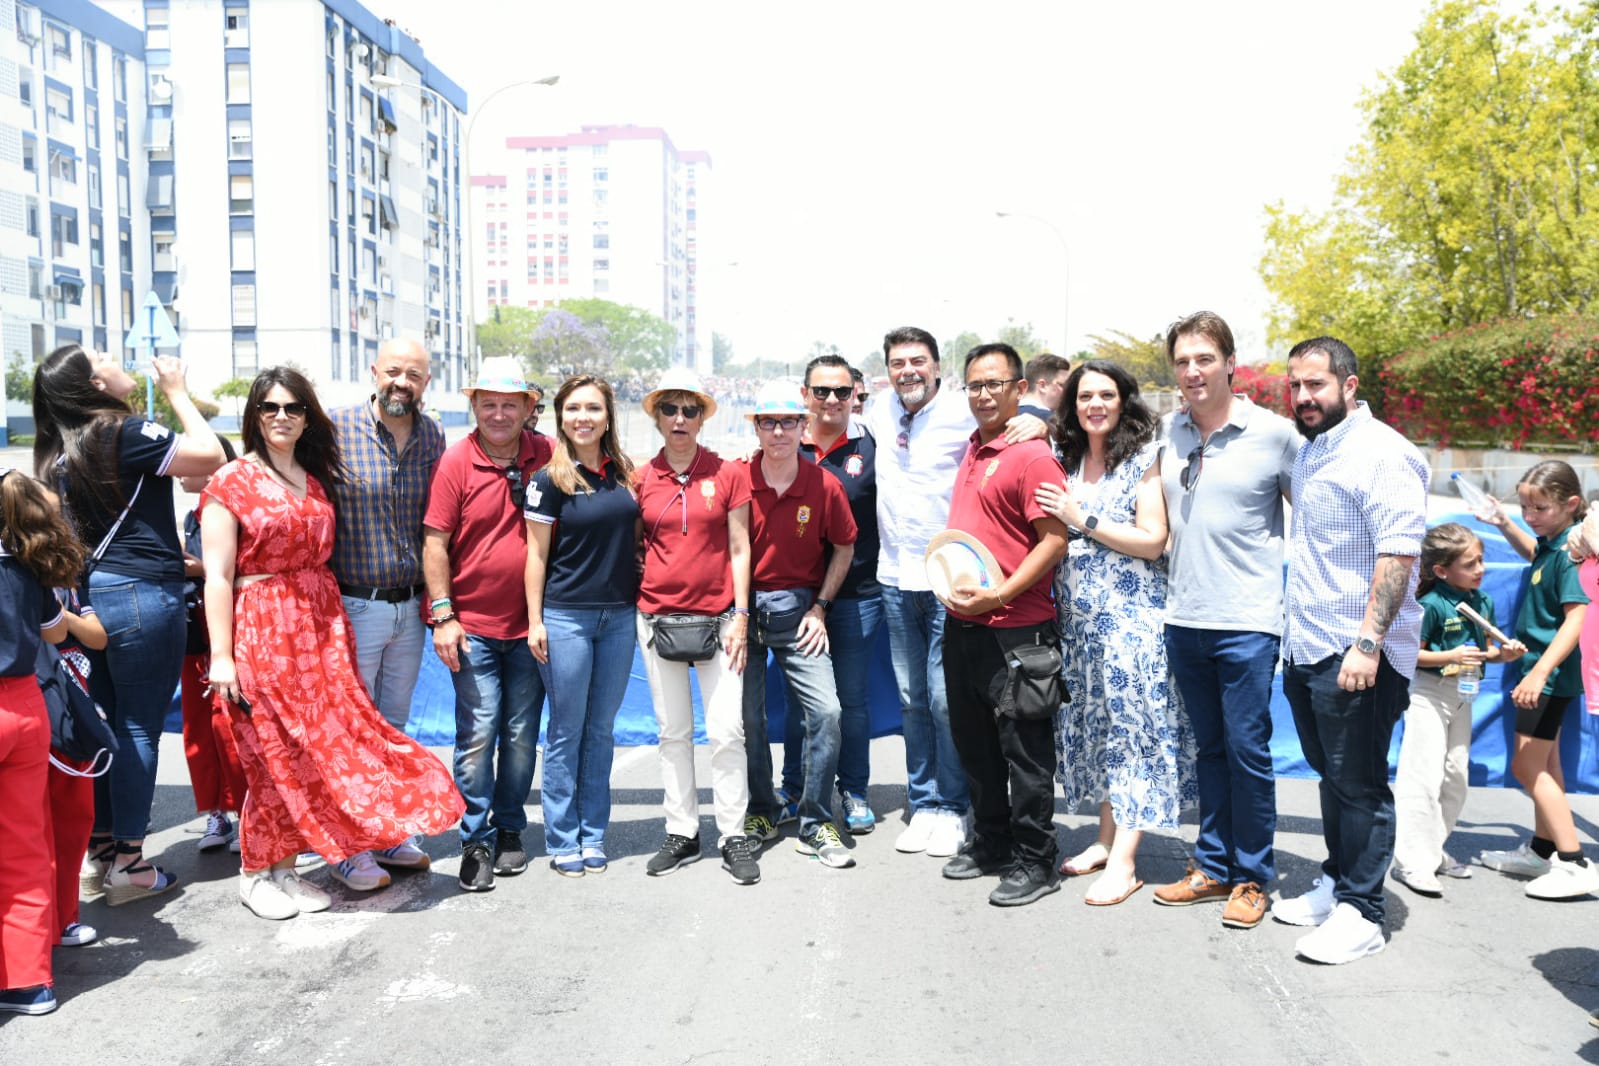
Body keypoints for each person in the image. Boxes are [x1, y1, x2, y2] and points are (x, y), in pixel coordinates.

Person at [201, 368, 464, 920]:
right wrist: (223, 656)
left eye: (293, 408)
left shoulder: (313, 477)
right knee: (271, 754)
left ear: (306, 417)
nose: (281, 417)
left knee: (316, 752)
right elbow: (218, 577)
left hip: (320, 631)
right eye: (270, 407)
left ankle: (290, 868)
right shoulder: (231, 482)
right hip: (264, 631)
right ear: (254, 414)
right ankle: (256, 873)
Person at [32, 345, 224, 906]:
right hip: (143, 594)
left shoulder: (58, 452)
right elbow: (209, 454)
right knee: (139, 728)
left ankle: (101, 852)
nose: (117, 357)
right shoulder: (122, 431)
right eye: (104, 355)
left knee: (108, 724)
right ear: (95, 382)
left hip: (93, 599)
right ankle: (131, 865)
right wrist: (176, 392)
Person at [866, 327, 1049, 860]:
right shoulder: (880, 410)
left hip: (951, 581)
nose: (908, 371)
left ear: (937, 366)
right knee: (911, 699)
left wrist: (1038, 419)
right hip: (894, 576)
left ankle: (955, 804)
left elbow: (1020, 411)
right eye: (898, 362)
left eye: (918, 361)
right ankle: (924, 803)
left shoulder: (964, 410)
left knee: (947, 701)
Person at [1274, 336, 1427, 965]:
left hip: (1358, 654)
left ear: (1349, 385)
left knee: (1360, 785)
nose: (1305, 397)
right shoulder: (1313, 453)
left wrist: (1366, 646)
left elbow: (1398, 555)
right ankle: (1337, 882)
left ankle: (1363, 912)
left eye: (1317, 385)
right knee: (1333, 778)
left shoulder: (1383, 453)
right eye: (1296, 386)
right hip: (1307, 646)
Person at [1152, 311, 1301, 930]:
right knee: (1208, 751)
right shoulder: (1166, 432)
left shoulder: (1276, 435)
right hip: (1184, 617)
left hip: (1247, 621)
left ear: (1229, 364)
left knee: (1246, 752)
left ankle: (1252, 877)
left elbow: (1319, 521)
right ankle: (1212, 867)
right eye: (1183, 361)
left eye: (1204, 359)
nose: (1192, 371)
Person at [1039, 359, 1195, 907]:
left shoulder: (1142, 460)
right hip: (1080, 629)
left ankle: (1126, 861)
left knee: (1136, 738)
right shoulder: (1067, 459)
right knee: (1104, 735)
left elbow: (1154, 540)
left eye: (1106, 394)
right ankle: (1105, 840)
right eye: (1085, 397)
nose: (1095, 405)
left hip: (1132, 626)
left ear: (1124, 400)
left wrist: (1084, 519)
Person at [938, 343, 1070, 907]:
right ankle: (991, 840)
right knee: (976, 746)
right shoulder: (975, 446)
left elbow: (1055, 541)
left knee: (1026, 752)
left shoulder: (1033, 457)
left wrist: (1000, 593)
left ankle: (1037, 859)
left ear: (1020, 388)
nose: (984, 394)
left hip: (1018, 628)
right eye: (974, 385)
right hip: (965, 625)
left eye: (995, 384)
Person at [422, 358, 553, 892]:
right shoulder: (456, 462)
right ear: (474, 406)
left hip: (533, 630)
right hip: (473, 627)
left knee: (521, 738)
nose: (499, 414)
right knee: (477, 736)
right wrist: (444, 615)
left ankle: (509, 832)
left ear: (528, 407)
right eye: (489, 403)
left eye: (510, 404)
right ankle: (474, 839)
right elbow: (434, 542)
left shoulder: (548, 454)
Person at [634, 368, 759, 885]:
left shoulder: (728, 472)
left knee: (728, 733)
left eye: (691, 410)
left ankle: (733, 835)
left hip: (721, 620)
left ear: (704, 417)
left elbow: (739, 546)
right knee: (673, 734)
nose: (680, 419)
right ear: (658, 417)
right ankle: (682, 832)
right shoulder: (640, 476)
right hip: (657, 620)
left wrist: (742, 617)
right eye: (670, 409)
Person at [328, 337, 444, 883]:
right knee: (353, 728)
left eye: (414, 375)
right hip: (355, 603)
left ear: (427, 382)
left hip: (409, 608)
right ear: (374, 371)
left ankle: (389, 830)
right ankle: (346, 845)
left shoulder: (433, 436)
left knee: (392, 727)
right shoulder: (333, 430)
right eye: (394, 371)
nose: (402, 382)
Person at [525, 375, 641, 877]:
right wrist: (535, 620)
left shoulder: (626, 474)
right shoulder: (547, 479)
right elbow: (535, 556)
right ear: (561, 416)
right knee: (566, 732)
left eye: (593, 408)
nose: (584, 418)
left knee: (601, 731)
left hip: (618, 618)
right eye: (574, 409)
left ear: (608, 415)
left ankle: (594, 835)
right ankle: (562, 837)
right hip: (566, 618)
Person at [740, 381, 859, 869]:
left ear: (803, 427)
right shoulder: (737, 479)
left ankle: (813, 819)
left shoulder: (824, 484)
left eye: (788, 421)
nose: (779, 431)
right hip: (742, 613)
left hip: (799, 613)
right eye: (768, 422)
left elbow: (845, 546)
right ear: (757, 428)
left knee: (827, 713)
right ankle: (763, 810)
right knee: (745, 719)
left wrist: (821, 607)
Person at [1474, 462, 1594, 898]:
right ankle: (1543, 852)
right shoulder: (1552, 543)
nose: (1531, 515)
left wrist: (1541, 671)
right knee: (1547, 765)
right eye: (1524, 505)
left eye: (1540, 507)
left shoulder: (1570, 551)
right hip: (1545, 673)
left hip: (1549, 674)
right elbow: (1533, 555)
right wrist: (1504, 522)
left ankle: (1574, 862)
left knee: (1526, 766)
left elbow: (1577, 617)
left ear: (1571, 505)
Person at [1391, 523, 1525, 897]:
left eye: (1481, 560)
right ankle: (1412, 863)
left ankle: (1433, 850)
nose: (1480, 569)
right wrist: (1449, 655)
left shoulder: (1482, 601)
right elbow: (1407, 653)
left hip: (1464, 694)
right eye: (1470, 564)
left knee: (1455, 776)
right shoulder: (1431, 604)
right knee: (1422, 777)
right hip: (1428, 693)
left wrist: (1504, 653)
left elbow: (1487, 651)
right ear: (1441, 570)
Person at [0, 468, 86, 1015]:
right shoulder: (29, 569)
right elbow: (57, 631)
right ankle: (30, 981)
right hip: (25, 706)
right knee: (25, 849)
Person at [786, 354, 882, 835]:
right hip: (795, 597)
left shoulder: (873, 445)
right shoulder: (783, 441)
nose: (831, 401)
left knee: (851, 701)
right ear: (805, 395)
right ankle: (793, 790)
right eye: (821, 391)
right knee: (801, 701)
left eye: (841, 392)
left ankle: (854, 790)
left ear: (855, 396)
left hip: (857, 595)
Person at [179, 436, 247, 857]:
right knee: (198, 729)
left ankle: (246, 813)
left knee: (231, 728)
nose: (178, 465)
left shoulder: (234, 507)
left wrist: (204, 568)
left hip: (228, 633)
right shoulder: (191, 514)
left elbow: (243, 568)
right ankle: (215, 811)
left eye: (189, 457)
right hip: (193, 634)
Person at [46, 583, 106, 951]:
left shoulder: (65, 582)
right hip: (30, 698)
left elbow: (97, 637)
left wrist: (57, 612)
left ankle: (65, 916)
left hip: (71, 711)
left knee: (73, 818)